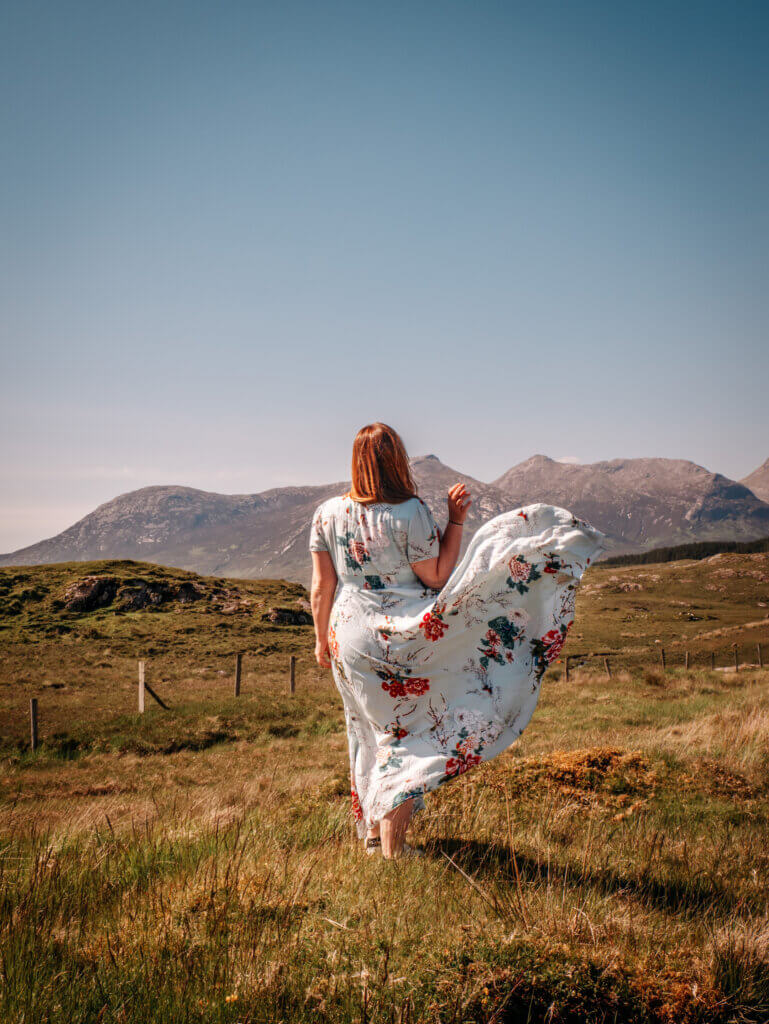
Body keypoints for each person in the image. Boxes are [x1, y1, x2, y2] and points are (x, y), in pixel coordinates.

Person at [309, 423, 605, 859]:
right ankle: (393, 847)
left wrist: (321, 642)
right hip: (400, 636)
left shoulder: (327, 514)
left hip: (348, 633)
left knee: (368, 731)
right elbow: (437, 576)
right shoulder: (409, 512)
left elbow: (321, 587)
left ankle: (373, 837)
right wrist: (457, 521)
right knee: (408, 732)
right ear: (396, 461)